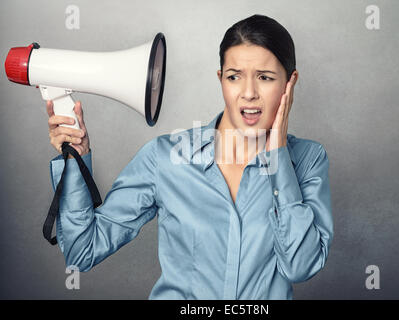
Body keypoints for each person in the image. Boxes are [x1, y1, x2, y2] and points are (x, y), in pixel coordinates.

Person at [46, 14, 333, 299]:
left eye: (265, 78)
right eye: (234, 77)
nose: (248, 93)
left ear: (289, 83)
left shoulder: (307, 159)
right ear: (221, 79)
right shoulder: (164, 158)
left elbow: (300, 266)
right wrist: (76, 160)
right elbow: (82, 251)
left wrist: (278, 154)